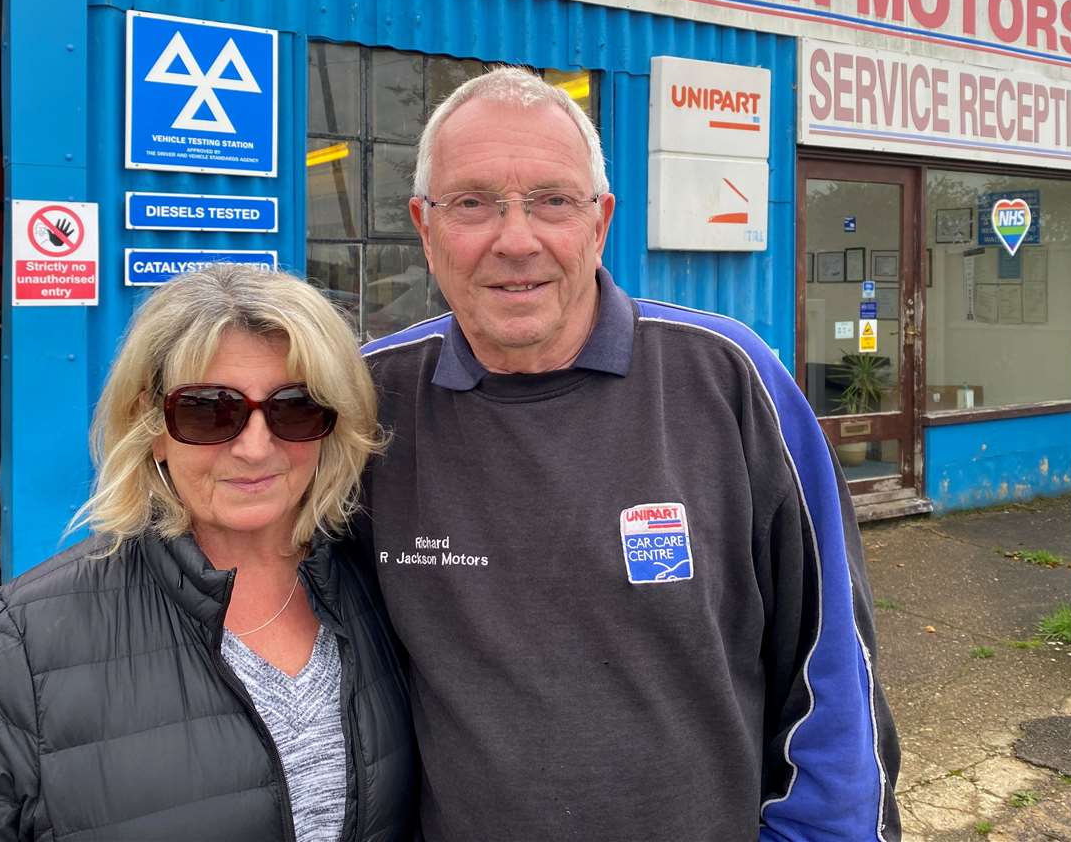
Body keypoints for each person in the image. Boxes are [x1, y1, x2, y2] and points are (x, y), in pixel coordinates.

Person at [361, 67, 902, 841]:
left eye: (553, 201)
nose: (516, 240)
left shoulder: (728, 380)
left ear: (600, 221)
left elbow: (832, 675)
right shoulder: (373, 406)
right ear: (424, 224)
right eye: (472, 203)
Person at [0, 265, 414, 842]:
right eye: (209, 410)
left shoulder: (381, 588)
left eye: (295, 408)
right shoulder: (25, 641)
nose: (256, 448)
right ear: (150, 424)